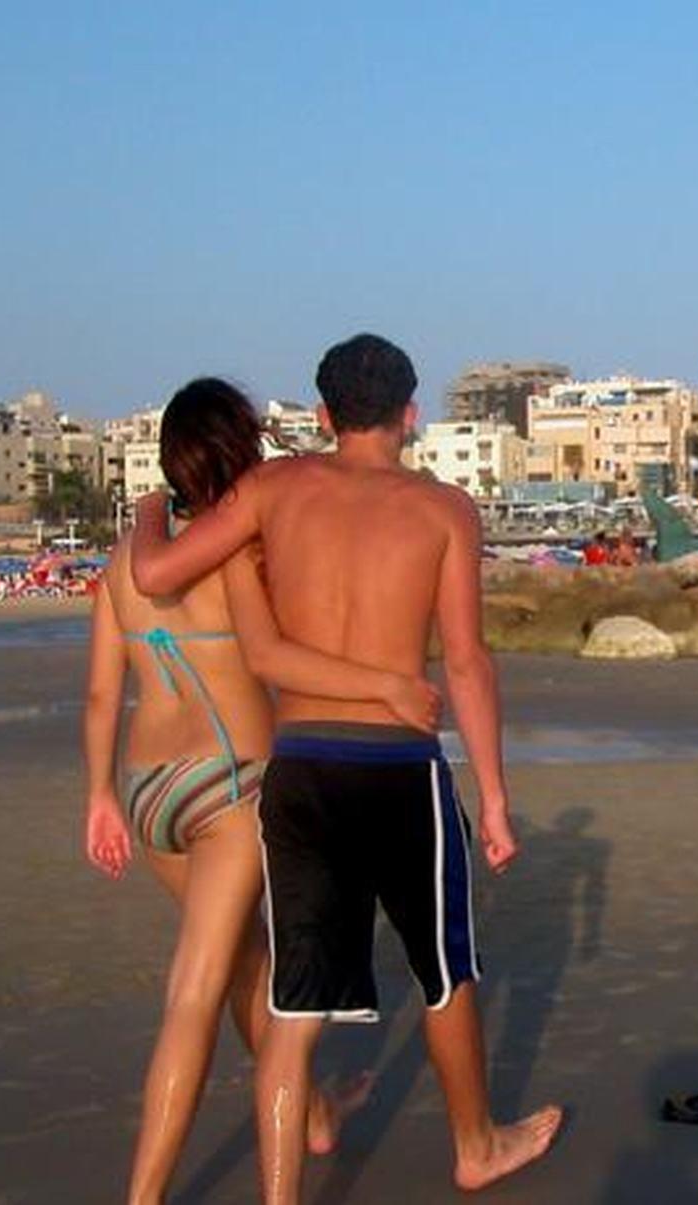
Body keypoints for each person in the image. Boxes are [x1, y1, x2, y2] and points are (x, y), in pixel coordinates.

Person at [128, 336, 561, 1202]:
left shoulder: (273, 488)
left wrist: (148, 506)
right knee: (443, 972)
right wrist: (498, 797)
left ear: (322, 417)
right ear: (411, 414)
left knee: (293, 1013)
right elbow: (468, 663)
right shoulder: (445, 509)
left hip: (302, 770)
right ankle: (475, 1144)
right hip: (400, 767)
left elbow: (155, 568)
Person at [84, 378, 441, 1204]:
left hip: (147, 794)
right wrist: (386, 684)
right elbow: (291, 650)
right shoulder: (245, 553)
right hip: (229, 791)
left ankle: (315, 1111)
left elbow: (104, 693)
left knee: (250, 958)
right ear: (239, 448)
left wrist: (99, 796)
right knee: (194, 991)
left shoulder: (124, 565)